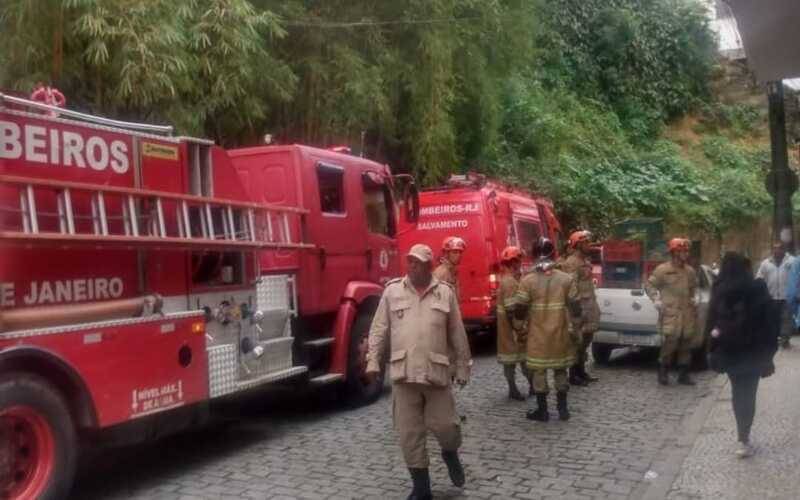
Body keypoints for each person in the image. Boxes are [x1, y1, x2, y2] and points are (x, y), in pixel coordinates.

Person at [366, 243, 471, 500]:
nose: (411, 266)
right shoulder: (392, 292)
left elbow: (457, 332)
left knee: (446, 427)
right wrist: (373, 362)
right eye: (409, 261)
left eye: (418, 262)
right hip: (404, 374)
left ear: (428, 265)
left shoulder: (444, 293)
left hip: (436, 373)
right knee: (409, 434)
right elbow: (379, 329)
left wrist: (462, 366)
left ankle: (449, 453)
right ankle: (421, 487)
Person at [706, 252, 778, 458]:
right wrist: (769, 354)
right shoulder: (758, 288)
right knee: (749, 394)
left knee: (738, 393)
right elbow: (771, 323)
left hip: (731, 352)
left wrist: (713, 347)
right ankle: (745, 436)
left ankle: (742, 438)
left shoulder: (720, 290)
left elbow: (711, 323)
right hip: (754, 353)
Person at [509, 237, 581, 422]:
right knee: (560, 370)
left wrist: (518, 327)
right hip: (560, 334)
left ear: (533, 256)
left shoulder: (528, 281)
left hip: (538, 336)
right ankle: (563, 409)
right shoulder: (566, 279)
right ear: (554, 254)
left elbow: (520, 308)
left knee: (539, 372)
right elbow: (575, 306)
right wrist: (576, 328)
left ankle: (543, 411)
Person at [645, 238, 699, 386]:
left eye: (687, 251)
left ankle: (684, 374)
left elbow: (694, 288)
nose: (686, 254)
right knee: (670, 343)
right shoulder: (663, 270)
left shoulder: (690, 271)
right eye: (683, 251)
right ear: (675, 252)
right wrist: (656, 299)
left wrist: (696, 297)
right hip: (671, 313)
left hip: (687, 313)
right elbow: (650, 285)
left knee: (686, 344)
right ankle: (663, 371)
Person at [557, 230, 601, 386]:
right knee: (577, 342)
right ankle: (573, 374)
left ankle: (581, 371)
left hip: (589, 307)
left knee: (586, 341)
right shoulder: (571, 262)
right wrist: (577, 309)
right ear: (578, 244)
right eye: (586, 242)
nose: (589, 245)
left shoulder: (585, 260)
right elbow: (571, 286)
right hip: (578, 309)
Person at [497, 246, 531, 400]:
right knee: (516, 361)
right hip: (512, 329)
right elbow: (511, 310)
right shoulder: (509, 282)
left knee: (517, 360)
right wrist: (519, 329)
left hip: (511, 329)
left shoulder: (513, 279)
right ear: (514, 262)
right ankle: (517, 389)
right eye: (519, 260)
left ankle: (527, 387)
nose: (520, 263)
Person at [756, 242, 794, 349]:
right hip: (770, 296)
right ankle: (773, 338)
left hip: (787, 296)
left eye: (779, 249)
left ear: (784, 250)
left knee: (786, 318)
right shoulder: (766, 263)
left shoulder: (791, 261)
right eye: (775, 249)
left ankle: (785, 339)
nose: (777, 251)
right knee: (772, 318)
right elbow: (759, 277)